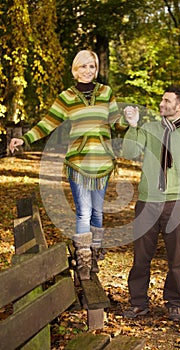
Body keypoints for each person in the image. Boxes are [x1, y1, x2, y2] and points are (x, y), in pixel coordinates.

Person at [9, 49, 127, 281]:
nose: (88, 71)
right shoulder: (67, 97)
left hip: (103, 163)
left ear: (96, 69)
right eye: (83, 66)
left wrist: (127, 121)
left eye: (91, 66)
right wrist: (25, 138)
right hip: (78, 163)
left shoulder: (106, 93)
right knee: (83, 212)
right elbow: (47, 123)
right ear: (75, 70)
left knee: (97, 213)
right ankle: (83, 259)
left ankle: (93, 253)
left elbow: (117, 125)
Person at [122, 86, 180, 321]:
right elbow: (129, 152)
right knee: (140, 258)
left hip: (176, 204)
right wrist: (132, 125)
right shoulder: (149, 129)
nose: (161, 103)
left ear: (179, 107)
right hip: (147, 202)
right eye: (162, 99)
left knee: (177, 258)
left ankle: (174, 303)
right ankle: (139, 303)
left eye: (167, 100)